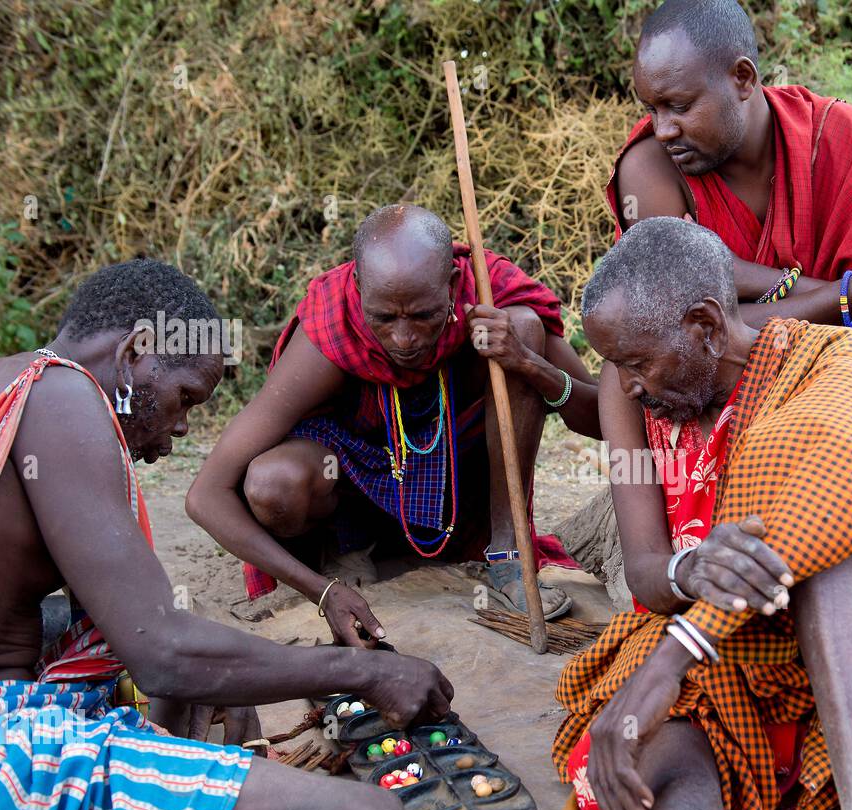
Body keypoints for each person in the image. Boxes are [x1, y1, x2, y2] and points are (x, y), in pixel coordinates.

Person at [0, 259, 454, 810]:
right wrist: (368, 671)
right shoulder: (61, 398)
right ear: (137, 352)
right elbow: (162, 655)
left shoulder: (2, 379)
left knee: (186, 706)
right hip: (1, 759)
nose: (175, 435)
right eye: (184, 401)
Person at [539, 218, 852, 810]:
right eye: (618, 366)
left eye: (640, 362)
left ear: (704, 324)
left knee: (820, 540)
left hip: (824, 661)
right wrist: (691, 566)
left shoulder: (829, 359)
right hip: (710, 673)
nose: (629, 384)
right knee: (662, 806)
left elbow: (832, 508)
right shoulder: (624, 389)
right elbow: (645, 573)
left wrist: (667, 662)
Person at [610, 0, 852, 625]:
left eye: (679, 106)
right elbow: (686, 310)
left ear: (742, 79)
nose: (661, 128)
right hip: (718, 396)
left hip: (842, 388)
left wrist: (787, 293)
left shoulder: (844, 142)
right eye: (650, 108)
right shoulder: (650, 168)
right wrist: (850, 291)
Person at [187, 204, 600, 644]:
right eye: (384, 318)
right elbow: (205, 495)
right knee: (273, 484)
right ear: (359, 288)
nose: (405, 339)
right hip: (353, 484)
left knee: (521, 324)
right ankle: (341, 552)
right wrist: (322, 591)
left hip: (459, 486)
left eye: (423, 316)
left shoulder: (486, 290)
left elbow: (601, 419)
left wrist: (528, 364)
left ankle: (506, 555)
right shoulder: (336, 321)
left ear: (453, 286)